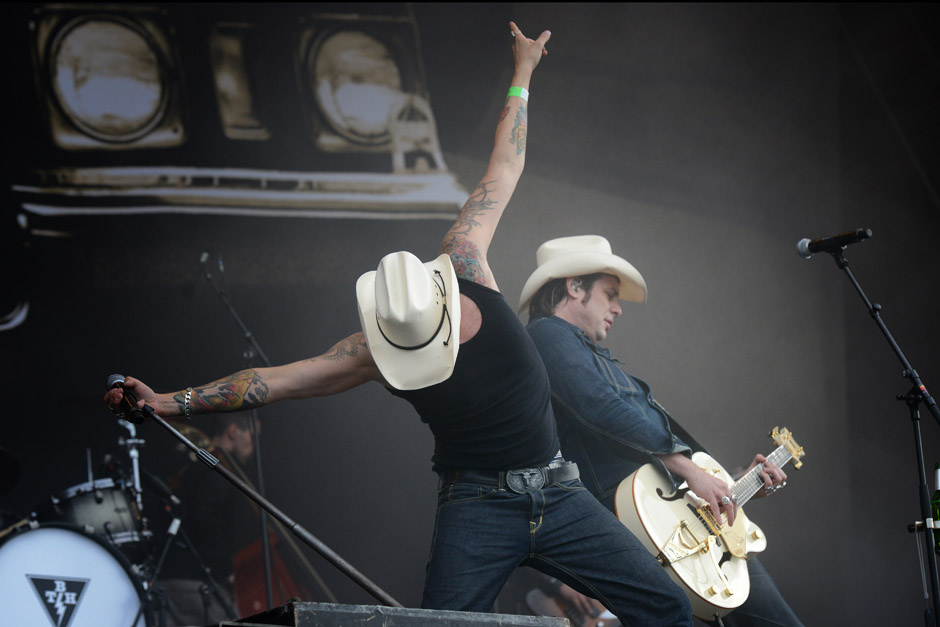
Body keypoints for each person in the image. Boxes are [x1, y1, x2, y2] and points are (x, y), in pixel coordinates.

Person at [106, 24, 694, 626]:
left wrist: (522, 72)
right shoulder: (372, 350)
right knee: (438, 626)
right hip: (476, 504)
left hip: (559, 490)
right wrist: (168, 404)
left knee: (667, 606)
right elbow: (273, 381)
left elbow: (507, 163)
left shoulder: (467, 259)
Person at [521, 235, 803, 626]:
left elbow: (654, 460)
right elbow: (603, 409)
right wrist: (691, 470)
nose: (618, 309)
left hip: (681, 523)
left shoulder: (592, 355)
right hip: (644, 528)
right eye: (610, 294)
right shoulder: (547, 335)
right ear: (573, 286)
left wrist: (737, 481)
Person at [154, 414, 259, 626]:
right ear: (233, 431)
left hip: (170, 575)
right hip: (196, 581)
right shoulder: (217, 465)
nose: (254, 445)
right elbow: (205, 515)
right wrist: (224, 569)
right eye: (252, 435)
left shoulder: (193, 461)